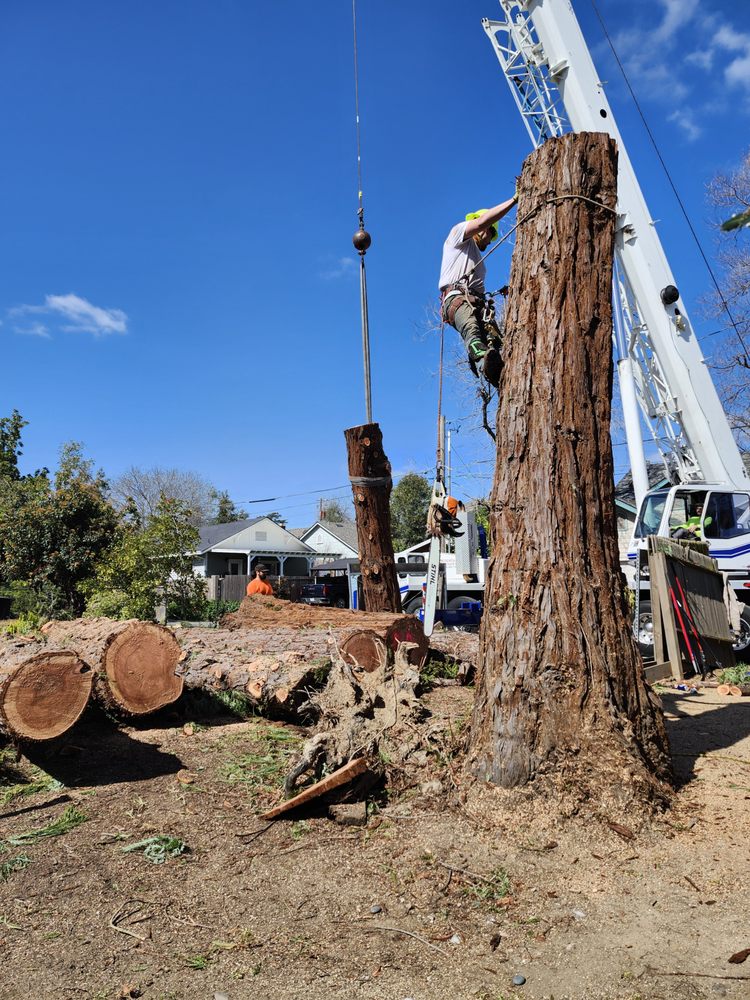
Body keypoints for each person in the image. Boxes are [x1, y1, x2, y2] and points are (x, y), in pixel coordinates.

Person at [439, 196, 517, 386]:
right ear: (485, 230)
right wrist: (514, 200)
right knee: (471, 328)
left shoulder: (475, 258)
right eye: (491, 235)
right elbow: (483, 220)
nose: (490, 242)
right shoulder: (457, 235)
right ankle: (483, 361)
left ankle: (500, 373)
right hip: (457, 299)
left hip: (477, 302)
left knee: (498, 342)